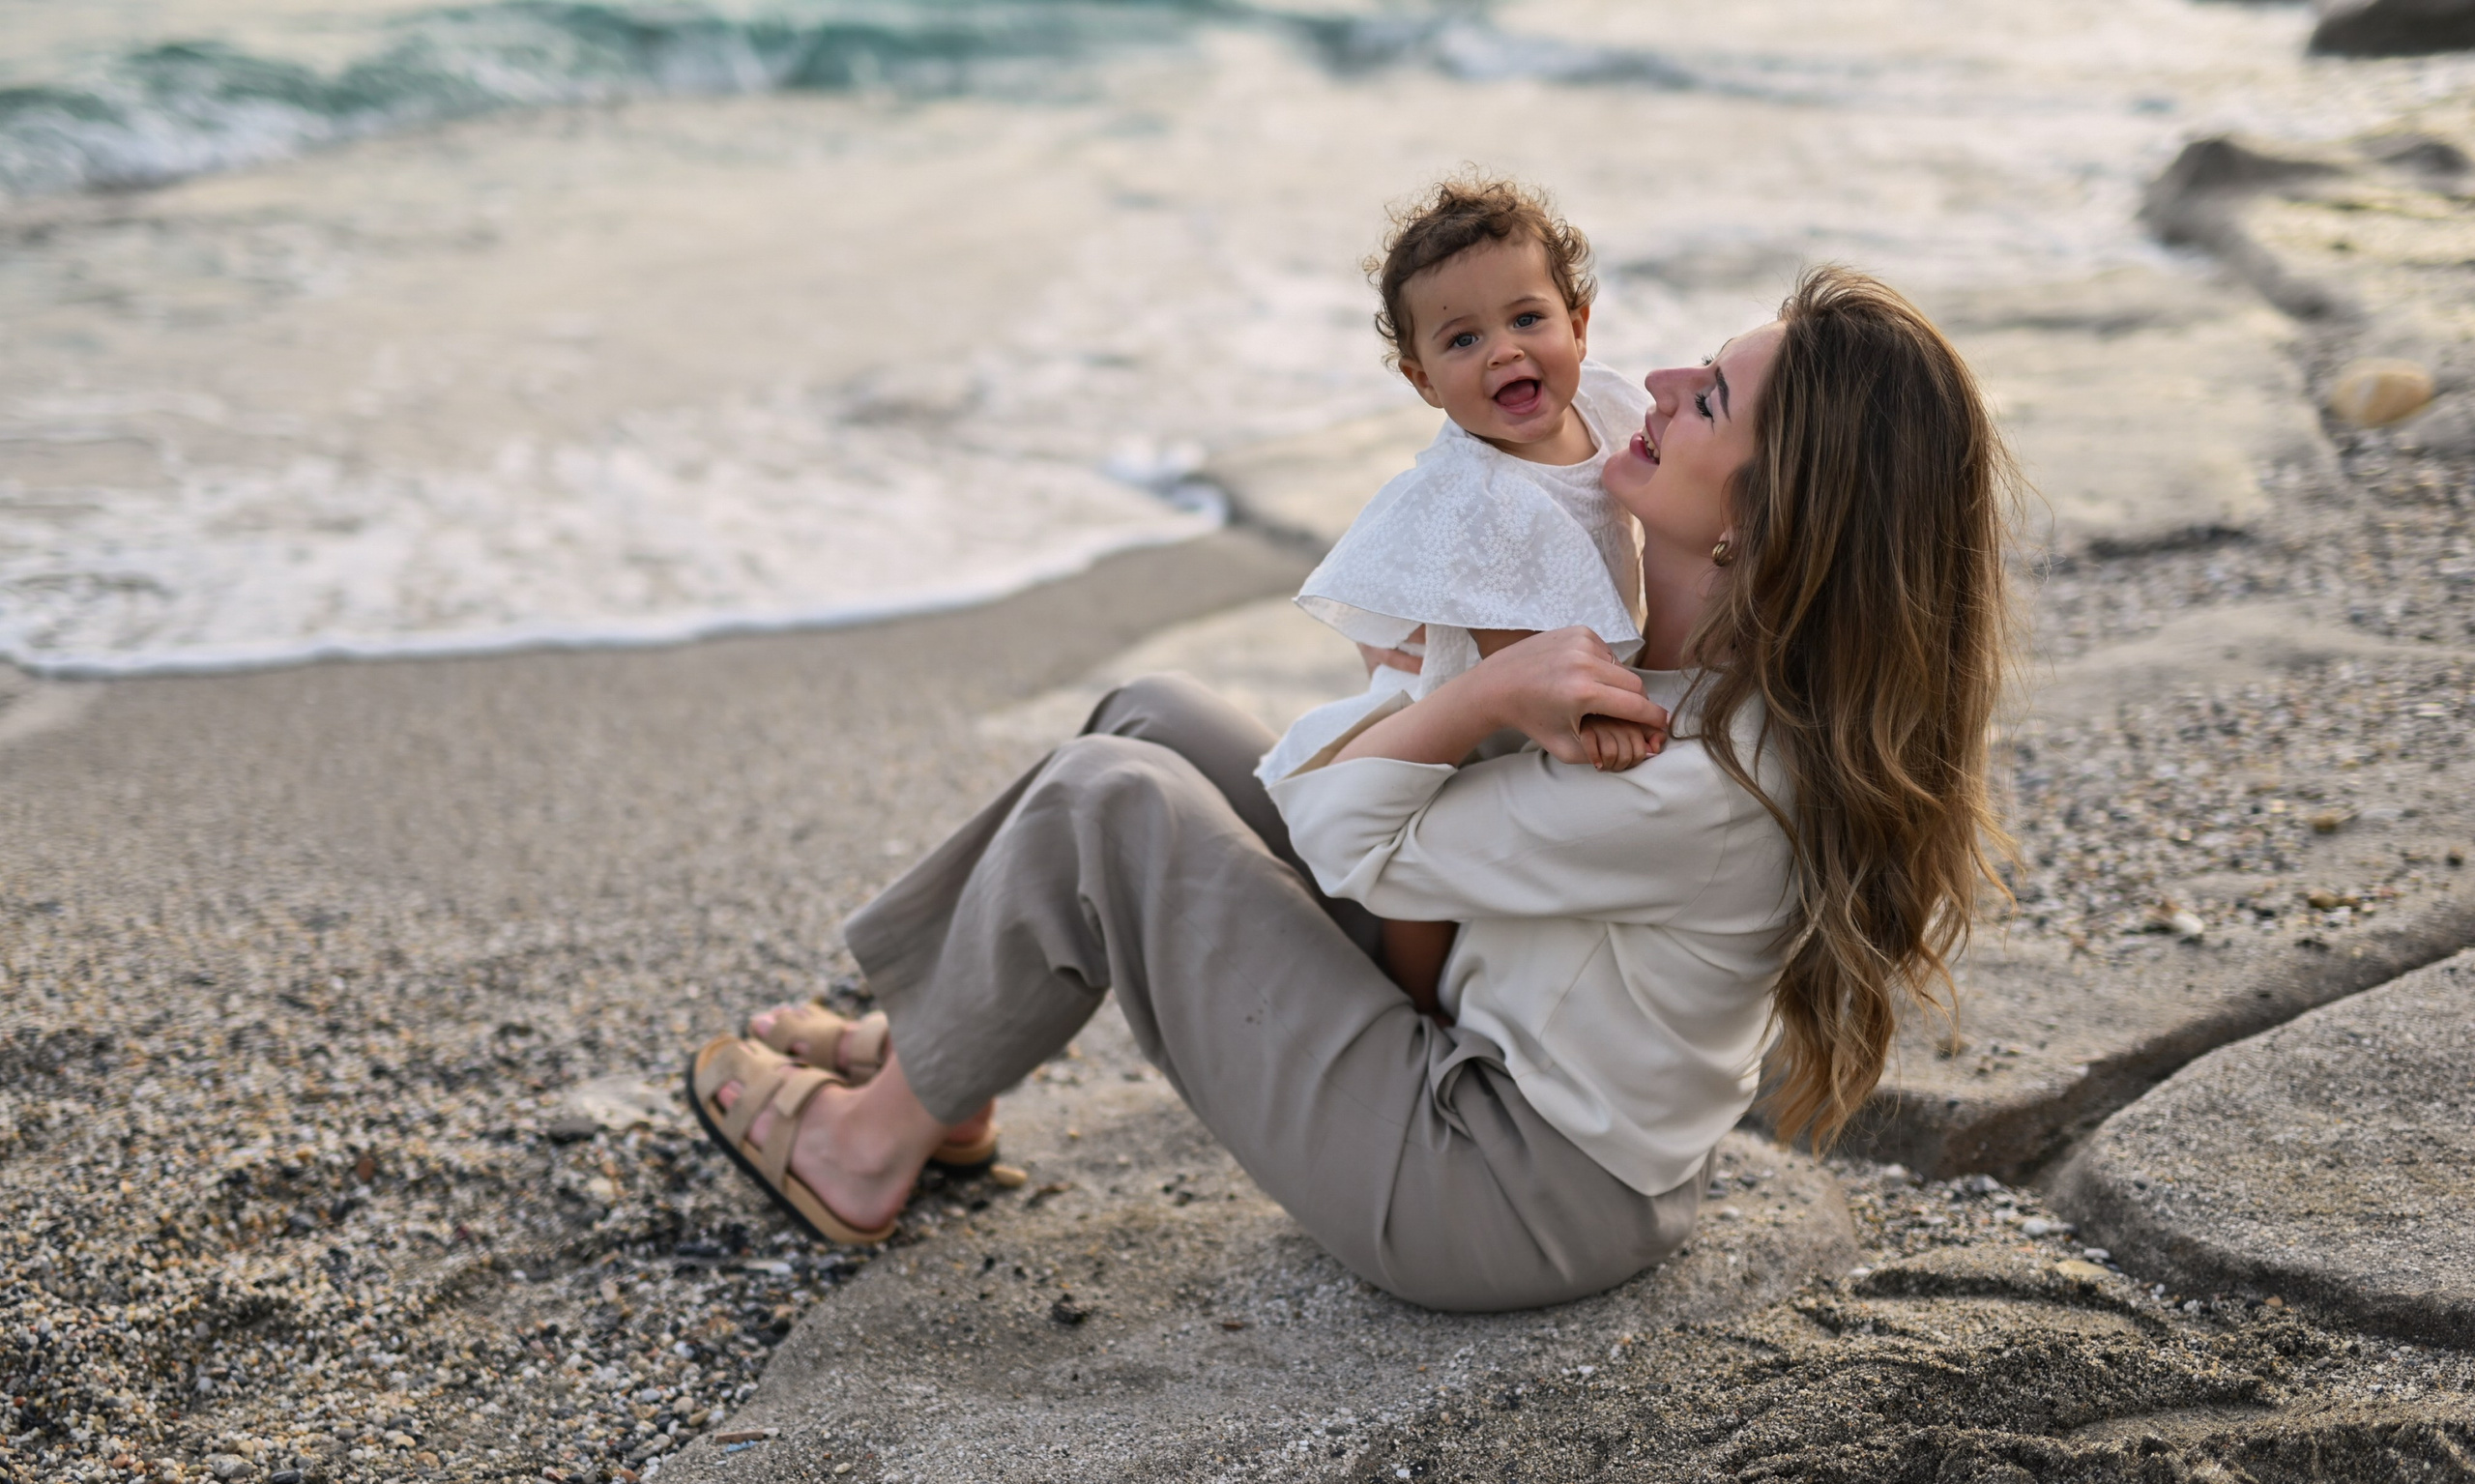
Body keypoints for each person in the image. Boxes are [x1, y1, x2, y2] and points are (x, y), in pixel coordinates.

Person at [684, 265, 2015, 1313]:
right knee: (1159, 715)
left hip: (1506, 1187)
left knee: (1113, 803)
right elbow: (1365, 803)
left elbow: (1344, 831)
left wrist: (1483, 696)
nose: (1657, 380)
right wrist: (1480, 672)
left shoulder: (1703, 773)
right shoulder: (1658, 632)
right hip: (1462, 1017)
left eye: (1710, 397)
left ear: (1763, 521)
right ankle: (945, 1056)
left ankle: (867, 1147)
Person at [1253, 178, 1664, 1011]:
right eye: (1463, 338)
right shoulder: (1475, 497)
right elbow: (1514, 670)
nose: (1504, 352)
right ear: (1424, 381)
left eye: (1527, 319)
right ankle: (1410, 1003)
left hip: (1592, 645)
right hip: (1484, 710)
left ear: (1578, 325)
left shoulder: (1609, 402)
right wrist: (1589, 720)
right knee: (1428, 868)